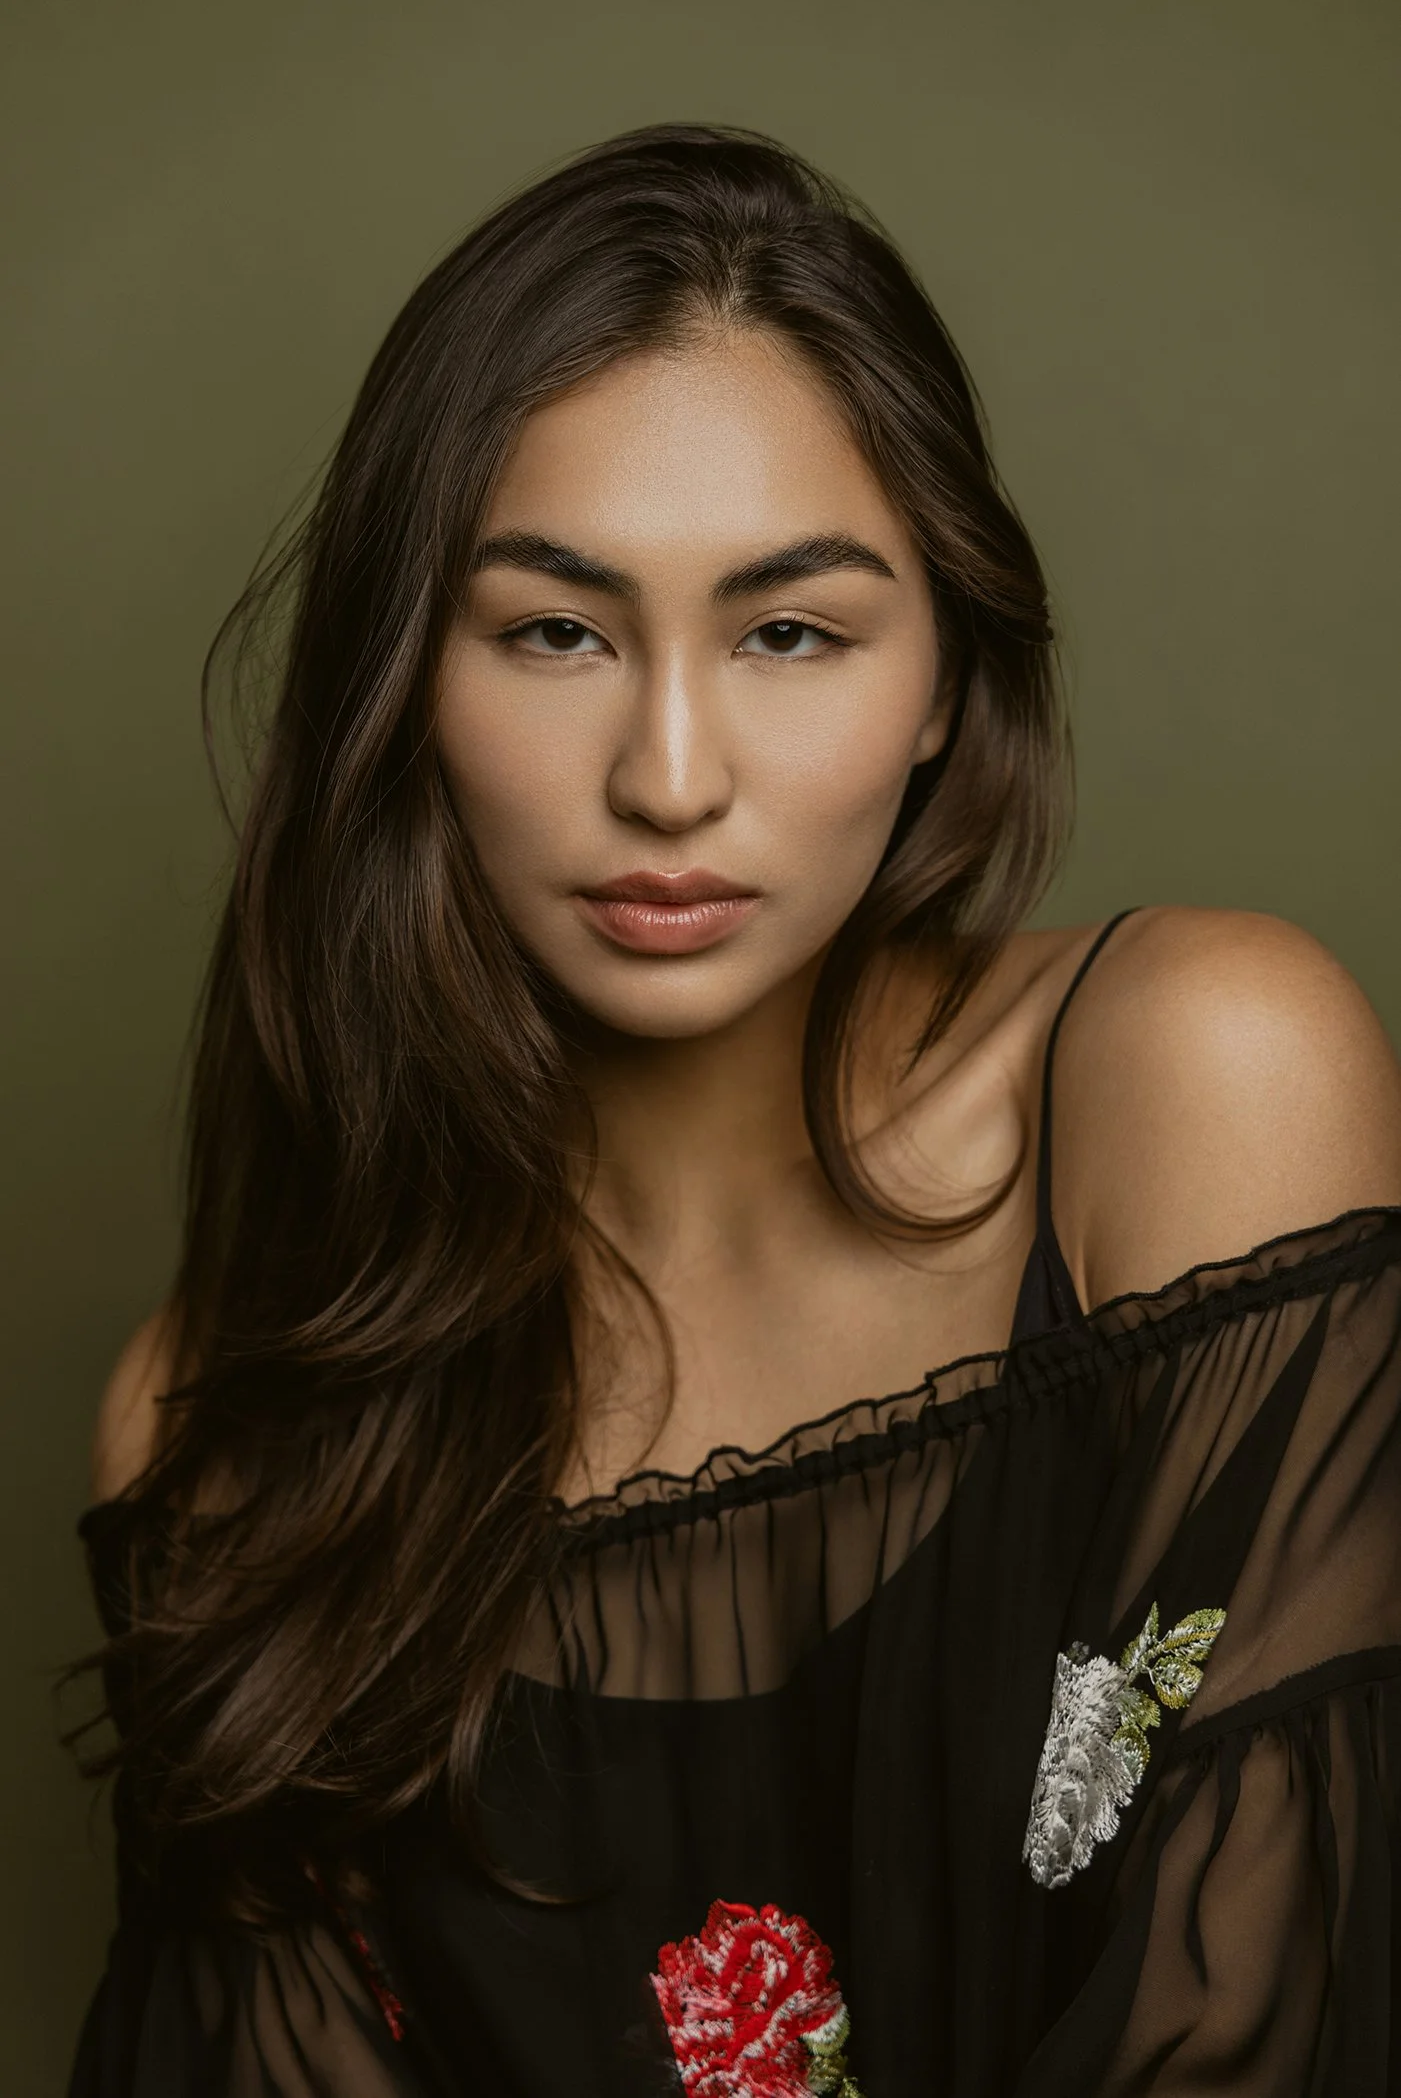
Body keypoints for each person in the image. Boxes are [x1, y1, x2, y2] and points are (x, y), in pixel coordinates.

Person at [70, 123, 1401, 2097]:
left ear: (944, 671)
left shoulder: (1197, 1074)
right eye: (554, 631)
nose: (670, 774)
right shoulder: (225, 1432)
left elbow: (1264, 2024)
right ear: (401, 683)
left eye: (789, 630)